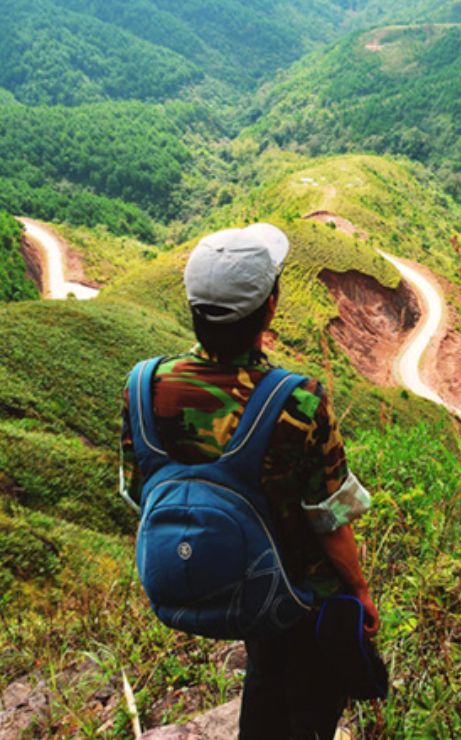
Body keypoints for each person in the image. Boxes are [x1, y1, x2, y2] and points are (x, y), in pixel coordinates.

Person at [119, 223, 378, 739]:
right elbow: (330, 519)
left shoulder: (144, 386)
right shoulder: (297, 399)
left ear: (194, 309)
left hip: (230, 580)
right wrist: (361, 589)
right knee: (309, 698)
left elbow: (138, 491)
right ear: (271, 307)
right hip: (296, 589)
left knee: (264, 674)